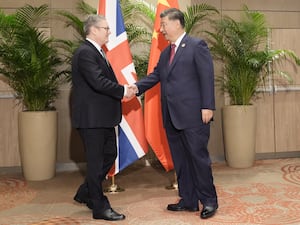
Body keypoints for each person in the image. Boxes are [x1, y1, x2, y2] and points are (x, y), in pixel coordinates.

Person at [130, 8, 218, 219]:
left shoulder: (197, 46)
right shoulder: (165, 53)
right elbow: (155, 77)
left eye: (164, 25)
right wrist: (134, 88)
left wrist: (208, 106)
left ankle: (209, 201)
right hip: (171, 116)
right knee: (181, 161)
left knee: (198, 159)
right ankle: (188, 200)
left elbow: (207, 77)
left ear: (177, 23)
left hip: (194, 115)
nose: (161, 30)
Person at [71, 14, 135, 221]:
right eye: (106, 28)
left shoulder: (97, 51)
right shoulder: (85, 52)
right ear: (94, 30)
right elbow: (98, 82)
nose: (109, 31)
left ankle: (86, 191)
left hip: (102, 118)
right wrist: (123, 91)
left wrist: (123, 90)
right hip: (92, 120)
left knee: (109, 155)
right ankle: (99, 207)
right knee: (97, 162)